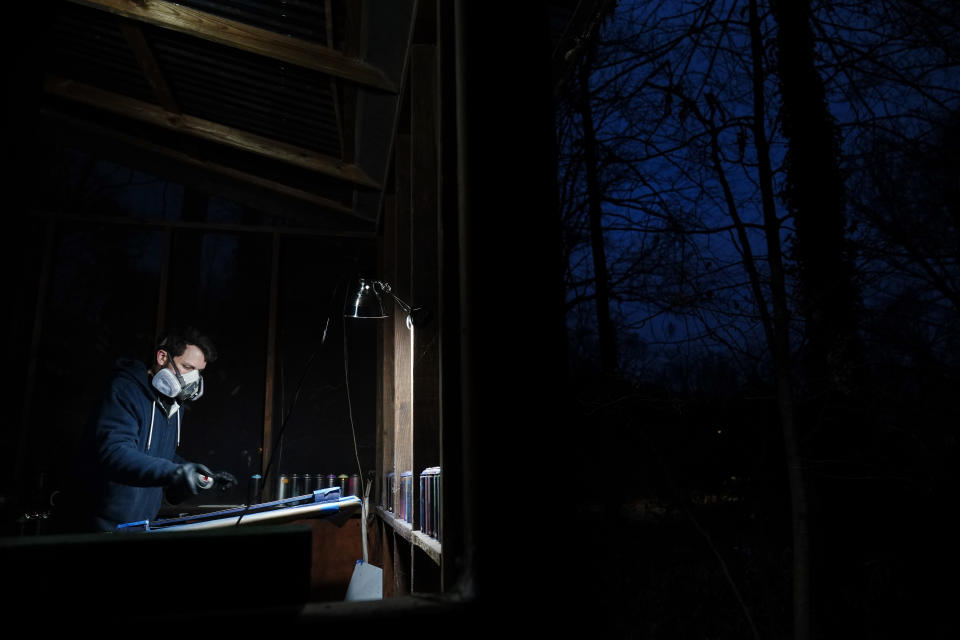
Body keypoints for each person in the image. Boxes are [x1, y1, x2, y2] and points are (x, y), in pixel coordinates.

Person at [57, 327, 237, 532]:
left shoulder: (175, 407)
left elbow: (159, 454)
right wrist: (176, 472)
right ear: (162, 357)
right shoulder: (125, 389)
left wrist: (200, 476)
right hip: (97, 528)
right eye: (187, 367)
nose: (193, 380)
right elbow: (114, 452)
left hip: (138, 527)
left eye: (198, 372)